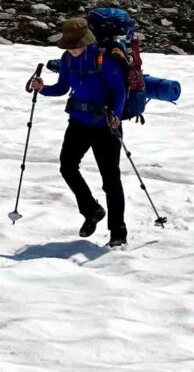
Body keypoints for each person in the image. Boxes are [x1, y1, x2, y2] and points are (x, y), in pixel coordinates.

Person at [26, 15, 128, 247]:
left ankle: (118, 231)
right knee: (67, 167)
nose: (72, 49)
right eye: (69, 45)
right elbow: (63, 88)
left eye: (76, 45)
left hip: (105, 125)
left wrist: (116, 115)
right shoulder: (66, 59)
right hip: (78, 122)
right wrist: (43, 89)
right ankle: (92, 210)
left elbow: (119, 91)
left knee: (110, 179)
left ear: (86, 41)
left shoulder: (103, 58)